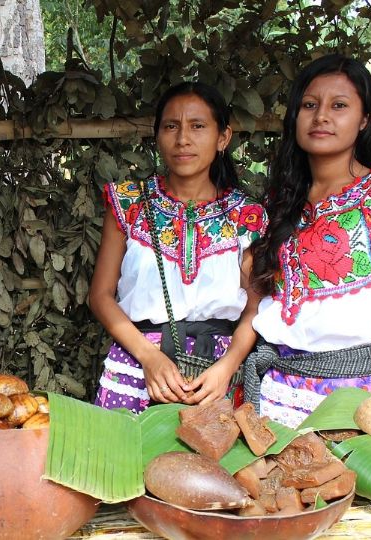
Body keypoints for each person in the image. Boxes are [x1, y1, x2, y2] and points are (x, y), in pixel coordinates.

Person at [247, 54, 371, 428]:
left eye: (339, 106)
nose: (321, 117)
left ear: (365, 119)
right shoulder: (281, 203)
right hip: (277, 390)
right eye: (310, 105)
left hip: (356, 394)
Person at [90, 82, 267, 413]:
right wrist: (148, 356)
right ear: (158, 136)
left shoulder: (246, 216)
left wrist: (227, 368)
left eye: (197, 126)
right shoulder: (129, 203)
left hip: (215, 378)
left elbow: (255, 310)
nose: (183, 138)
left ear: (223, 138)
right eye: (171, 126)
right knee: (124, 463)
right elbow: (100, 295)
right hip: (136, 366)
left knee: (215, 465)